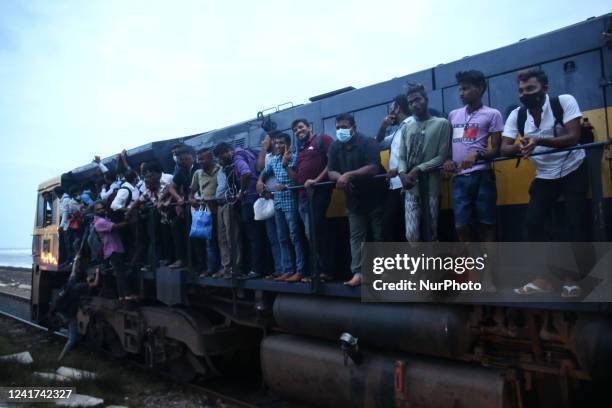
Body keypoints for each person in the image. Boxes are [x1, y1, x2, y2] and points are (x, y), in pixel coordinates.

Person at [501, 67, 587, 297]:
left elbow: (573, 137)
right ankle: (542, 279)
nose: (525, 94)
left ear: (545, 89)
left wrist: (539, 140)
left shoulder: (564, 102)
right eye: (521, 90)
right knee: (533, 224)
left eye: (531, 88)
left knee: (574, 223)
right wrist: (519, 146)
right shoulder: (517, 115)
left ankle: (572, 280)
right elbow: (504, 147)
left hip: (573, 168)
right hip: (545, 174)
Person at [328, 113, 386, 287]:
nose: (340, 131)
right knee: (356, 237)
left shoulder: (368, 142)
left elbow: (373, 168)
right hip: (354, 200)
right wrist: (340, 178)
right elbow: (331, 171)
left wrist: (348, 175)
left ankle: (382, 274)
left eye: (344, 127)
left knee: (380, 236)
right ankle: (358, 274)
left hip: (377, 197)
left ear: (354, 127)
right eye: (338, 128)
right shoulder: (335, 147)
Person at [443, 70, 502, 242]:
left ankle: (489, 267)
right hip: (459, 178)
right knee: (460, 225)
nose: (461, 93)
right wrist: (447, 160)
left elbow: (496, 149)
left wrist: (478, 155)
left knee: (487, 223)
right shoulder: (453, 115)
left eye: (466, 89)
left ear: (480, 89)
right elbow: (449, 146)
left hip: (483, 176)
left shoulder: (493, 114)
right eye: (460, 89)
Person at [398, 83, 450, 242]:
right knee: (411, 234)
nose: (414, 104)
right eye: (410, 102)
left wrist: (418, 169)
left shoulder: (442, 124)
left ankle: (431, 266)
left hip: (432, 186)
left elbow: (442, 156)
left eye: (417, 99)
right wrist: (402, 173)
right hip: (411, 188)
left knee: (431, 231)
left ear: (426, 100)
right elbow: (402, 156)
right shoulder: (406, 127)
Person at [257, 132, 305, 282]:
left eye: (281, 143)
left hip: (291, 201)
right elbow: (263, 172)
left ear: (288, 144)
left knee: (295, 237)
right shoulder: (273, 160)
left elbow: (298, 180)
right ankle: (287, 270)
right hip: (278, 202)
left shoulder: (295, 157)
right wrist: (260, 181)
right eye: (276, 143)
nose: (277, 146)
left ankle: (300, 270)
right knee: (282, 238)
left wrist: (286, 183)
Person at [214, 142, 266, 278]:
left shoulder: (237, 158)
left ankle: (255, 269)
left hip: (249, 200)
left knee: (252, 236)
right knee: (258, 235)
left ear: (226, 151)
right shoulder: (247, 151)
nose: (220, 161)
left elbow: (246, 173)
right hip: (257, 199)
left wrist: (241, 191)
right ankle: (260, 267)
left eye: (220, 157)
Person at [376, 95, 414, 242]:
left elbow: (414, 154)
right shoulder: (399, 129)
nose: (390, 109)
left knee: (407, 230)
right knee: (391, 229)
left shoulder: (412, 124)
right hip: (395, 186)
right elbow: (378, 142)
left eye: (392, 106)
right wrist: (383, 126)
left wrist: (398, 169)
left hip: (407, 183)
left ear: (397, 107)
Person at [56, 255, 100, 361]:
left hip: (62, 311)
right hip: (70, 316)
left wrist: (75, 260)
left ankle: (75, 346)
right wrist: (98, 273)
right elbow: (95, 284)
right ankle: (60, 358)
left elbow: (73, 272)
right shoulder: (82, 287)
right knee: (72, 338)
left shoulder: (72, 283)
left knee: (76, 333)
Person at [92, 201, 134, 300]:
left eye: (102, 208)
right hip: (112, 249)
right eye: (98, 209)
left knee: (120, 272)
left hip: (115, 248)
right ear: (94, 211)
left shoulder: (103, 219)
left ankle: (122, 295)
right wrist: (129, 222)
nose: (101, 210)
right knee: (120, 273)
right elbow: (115, 226)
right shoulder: (100, 222)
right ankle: (125, 295)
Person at [190, 147, 221, 277]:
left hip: (220, 210)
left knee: (222, 241)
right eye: (198, 160)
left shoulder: (220, 169)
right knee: (209, 241)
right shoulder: (197, 173)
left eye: (203, 159)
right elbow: (191, 192)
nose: (200, 162)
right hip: (205, 212)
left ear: (211, 158)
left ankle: (223, 268)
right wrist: (192, 200)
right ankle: (211, 268)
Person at [256, 133, 283, 278]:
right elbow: (260, 168)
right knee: (273, 238)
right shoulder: (267, 157)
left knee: (284, 237)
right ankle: (279, 269)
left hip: (282, 199)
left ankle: (287, 269)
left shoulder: (285, 155)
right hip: (269, 201)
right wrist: (264, 149)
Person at [168, 146, 198, 269]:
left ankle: (196, 262)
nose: (182, 162)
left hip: (199, 206)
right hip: (187, 206)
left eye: (184, 159)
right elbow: (171, 187)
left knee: (195, 233)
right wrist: (178, 198)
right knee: (176, 225)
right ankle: (182, 258)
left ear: (192, 157)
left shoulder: (198, 168)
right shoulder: (181, 171)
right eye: (180, 160)